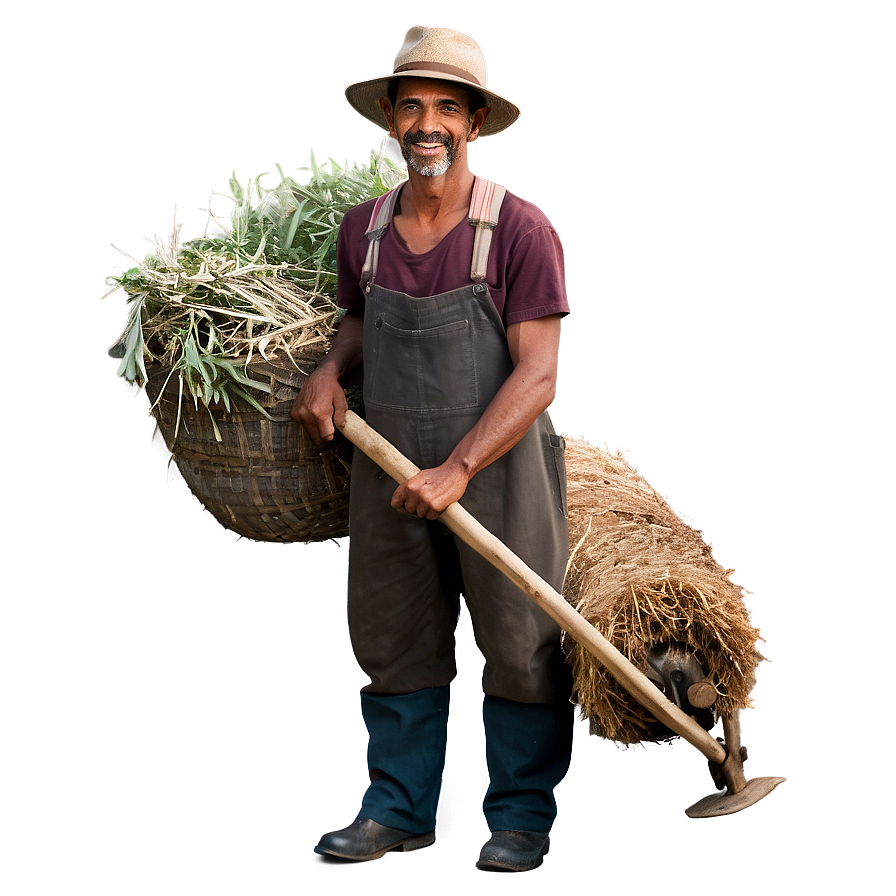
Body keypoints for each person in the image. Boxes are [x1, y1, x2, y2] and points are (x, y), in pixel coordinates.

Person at [292, 24, 573, 873]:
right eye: (411, 105)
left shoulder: (518, 230)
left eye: (447, 107)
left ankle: (521, 818)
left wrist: (459, 469)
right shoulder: (363, 232)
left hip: (499, 473)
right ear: (388, 116)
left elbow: (541, 374)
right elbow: (357, 321)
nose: (428, 123)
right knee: (394, 636)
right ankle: (398, 812)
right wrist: (330, 371)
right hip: (389, 470)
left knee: (521, 640)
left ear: (474, 122)